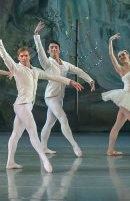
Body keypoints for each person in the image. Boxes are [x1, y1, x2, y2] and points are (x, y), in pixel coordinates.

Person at [0, 25, 83, 173]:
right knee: (32, 131)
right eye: (21, 56)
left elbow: (52, 76)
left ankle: (10, 162)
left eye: (26, 55)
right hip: (21, 105)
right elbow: (4, 56)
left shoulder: (35, 71)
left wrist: (70, 82)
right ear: (18, 58)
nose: (24, 58)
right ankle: (45, 160)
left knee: (15, 134)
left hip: (27, 106)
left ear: (29, 56)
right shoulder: (16, 68)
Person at [34, 21, 96, 157]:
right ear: (48, 51)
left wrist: (90, 80)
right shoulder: (47, 63)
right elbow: (39, 53)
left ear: (59, 50)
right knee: (63, 118)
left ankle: (43, 147)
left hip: (59, 98)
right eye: (51, 48)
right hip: (50, 97)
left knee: (49, 123)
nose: (54, 49)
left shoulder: (65, 65)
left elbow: (79, 71)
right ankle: (75, 146)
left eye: (56, 47)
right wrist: (37, 35)